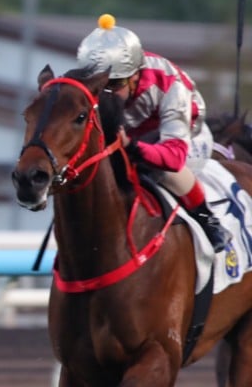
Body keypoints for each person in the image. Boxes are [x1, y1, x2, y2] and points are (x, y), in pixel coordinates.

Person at [77, 13, 230, 253]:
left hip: (184, 137)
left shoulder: (170, 86)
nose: (105, 95)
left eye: (114, 85)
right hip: (134, 135)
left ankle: (208, 220)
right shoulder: (108, 86)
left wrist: (133, 147)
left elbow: (174, 157)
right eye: (99, 86)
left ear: (135, 76)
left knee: (163, 171)